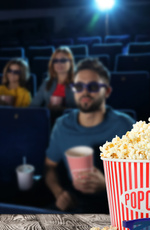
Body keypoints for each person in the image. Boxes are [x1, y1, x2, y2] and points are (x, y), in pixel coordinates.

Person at [44, 58, 135, 213]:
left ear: (106, 92)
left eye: (92, 86)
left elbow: (148, 179)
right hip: (74, 207)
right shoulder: (62, 125)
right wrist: (59, 193)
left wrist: (108, 185)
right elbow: (49, 167)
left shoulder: (127, 126)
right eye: (78, 86)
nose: (84, 92)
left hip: (117, 208)